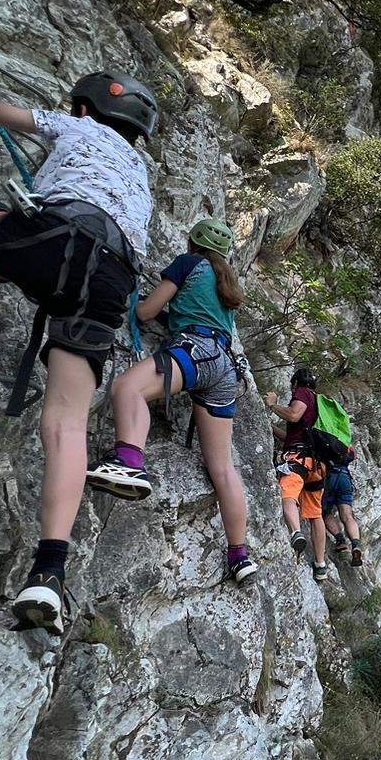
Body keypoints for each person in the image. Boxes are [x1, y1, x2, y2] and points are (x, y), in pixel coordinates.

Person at [0, 73, 156, 633]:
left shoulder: (75, 125)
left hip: (53, 240)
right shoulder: (140, 171)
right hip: (111, 281)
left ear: (85, 106)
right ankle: (48, 572)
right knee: (67, 425)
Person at [84, 218, 257, 584]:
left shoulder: (186, 263)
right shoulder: (226, 282)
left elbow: (146, 311)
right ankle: (240, 556)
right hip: (224, 367)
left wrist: (141, 305)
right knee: (223, 469)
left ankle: (128, 459)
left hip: (194, 351)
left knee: (128, 388)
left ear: (192, 243)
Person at [265, 367, 328, 582]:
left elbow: (293, 414)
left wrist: (272, 405)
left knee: (288, 495)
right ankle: (320, 565)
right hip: (316, 465)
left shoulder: (302, 393)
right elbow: (295, 434)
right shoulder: (319, 403)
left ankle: (295, 532)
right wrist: (272, 429)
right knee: (315, 514)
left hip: (297, 460)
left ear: (294, 384)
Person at [322, 459, 363, 565]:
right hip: (344, 476)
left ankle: (341, 540)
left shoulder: (325, 442)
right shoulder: (345, 442)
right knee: (347, 516)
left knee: (325, 513)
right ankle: (356, 544)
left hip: (328, 476)